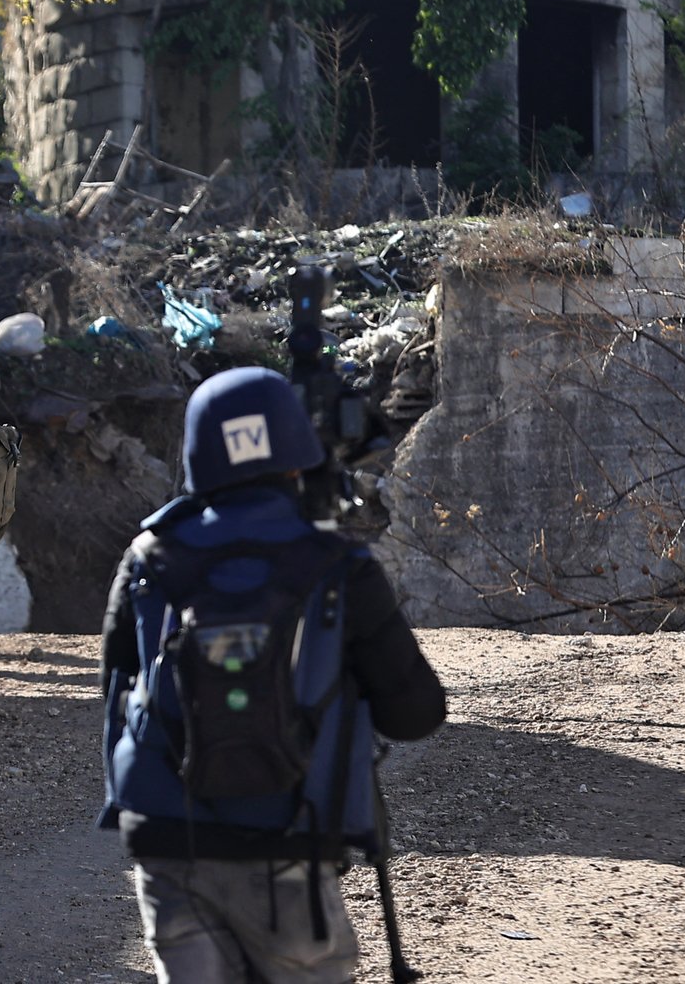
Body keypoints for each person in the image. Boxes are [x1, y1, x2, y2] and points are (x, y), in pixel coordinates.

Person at [99, 366, 446, 984]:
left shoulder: (150, 555)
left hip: (166, 836)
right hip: (289, 838)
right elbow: (415, 714)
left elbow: (117, 692)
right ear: (297, 457)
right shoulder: (338, 563)